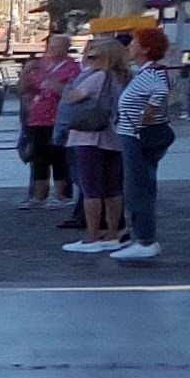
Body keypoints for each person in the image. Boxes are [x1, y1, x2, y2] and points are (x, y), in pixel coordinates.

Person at [113, 28, 176, 265]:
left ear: (146, 48)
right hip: (134, 135)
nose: (130, 46)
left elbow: (160, 91)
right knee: (140, 185)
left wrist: (149, 112)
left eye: (135, 43)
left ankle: (145, 240)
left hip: (138, 137)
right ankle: (141, 236)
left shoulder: (151, 74)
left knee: (137, 187)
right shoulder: (145, 72)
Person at [60, 40, 127, 252]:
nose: (89, 60)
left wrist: (68, 85)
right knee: (112, 187)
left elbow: (73, 97)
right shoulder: (123, 77)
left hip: (89, 136)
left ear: (107, 57)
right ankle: (113, 231)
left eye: (93, 56)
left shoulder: (98, 76)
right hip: (113, 136)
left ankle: (92, 236)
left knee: (91, 188)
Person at [21, 36, 79, 210]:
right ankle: (39, 196)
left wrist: (50, 79)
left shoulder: (72, 68)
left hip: (58, 117)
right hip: (37, 118)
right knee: (39, 157)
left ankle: (61, 195)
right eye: (50, 46)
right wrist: (25, 72)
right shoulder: (42, 64)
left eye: (56, 46)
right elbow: (24, 89)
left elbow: (69, 92)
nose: (51, 49)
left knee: (59, 156)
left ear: (66, 47)